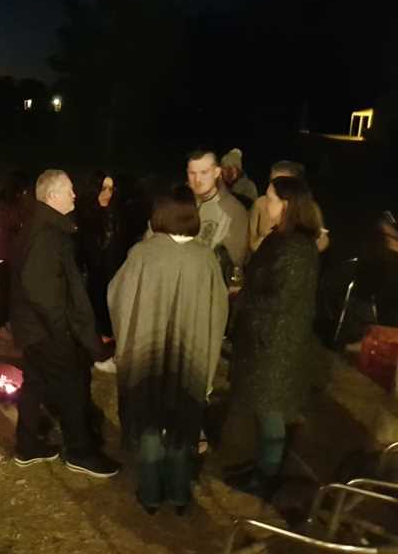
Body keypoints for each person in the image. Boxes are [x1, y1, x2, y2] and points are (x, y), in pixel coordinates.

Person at [107, 186, 228, 514]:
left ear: (158, 215)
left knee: (149, 423)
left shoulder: (142, 254)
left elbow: (117, 298)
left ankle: (150, 494)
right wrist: (208, 362)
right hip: (189, 359)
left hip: (146, 357)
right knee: (181, 425)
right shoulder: (206, 259)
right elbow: (218, 314)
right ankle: (178, 494)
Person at [9, 169, 119, 478]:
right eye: (69, 190)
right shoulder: (46, 235)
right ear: (53, 195)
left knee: (35, 384)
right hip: (47, 330)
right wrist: (63, 329)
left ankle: (28, 446)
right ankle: (80, 453)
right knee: (73, 387)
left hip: (33, 329)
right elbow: (42, 290)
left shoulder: (41, 225)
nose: (74, 195)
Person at [225, 177, 321, 499]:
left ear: (288, 205)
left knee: (271, 412)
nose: (265, 204)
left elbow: (282, 300)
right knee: (264, 409)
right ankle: (262, 467)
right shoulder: (282, 238)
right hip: (267, 338)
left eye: (271, 198)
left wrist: (243, 297)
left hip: (278, 344)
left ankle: (267, 476)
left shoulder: (297, 248)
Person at [76, 169, 125, 341]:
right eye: (103, 188)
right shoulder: (82, 215)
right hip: (90, 274)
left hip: (111, 272)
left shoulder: (114, 212)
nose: (108, 194)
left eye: (111, 189)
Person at [249, 160, 330, 253]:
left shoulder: (309, 208)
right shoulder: (260, 203)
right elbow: (251, 241)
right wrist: (265, 243)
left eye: (282, 183)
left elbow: (321, 239)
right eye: (272, 181)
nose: (275, 186)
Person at [186, 149, 249, 269]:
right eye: (192, 173)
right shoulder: (177, 203)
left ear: (217, 172)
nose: (197, 179)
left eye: (204, 172)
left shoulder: (233, 211)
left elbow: (235, 260)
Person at [0, 170, 30, 340]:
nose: (22, 194)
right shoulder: (2, 208)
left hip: (2, 253)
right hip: (1, 255)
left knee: (9, 290)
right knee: (4, 291)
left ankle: (5, 322)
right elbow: (7, 231)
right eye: (20, 191)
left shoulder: (2, 205)